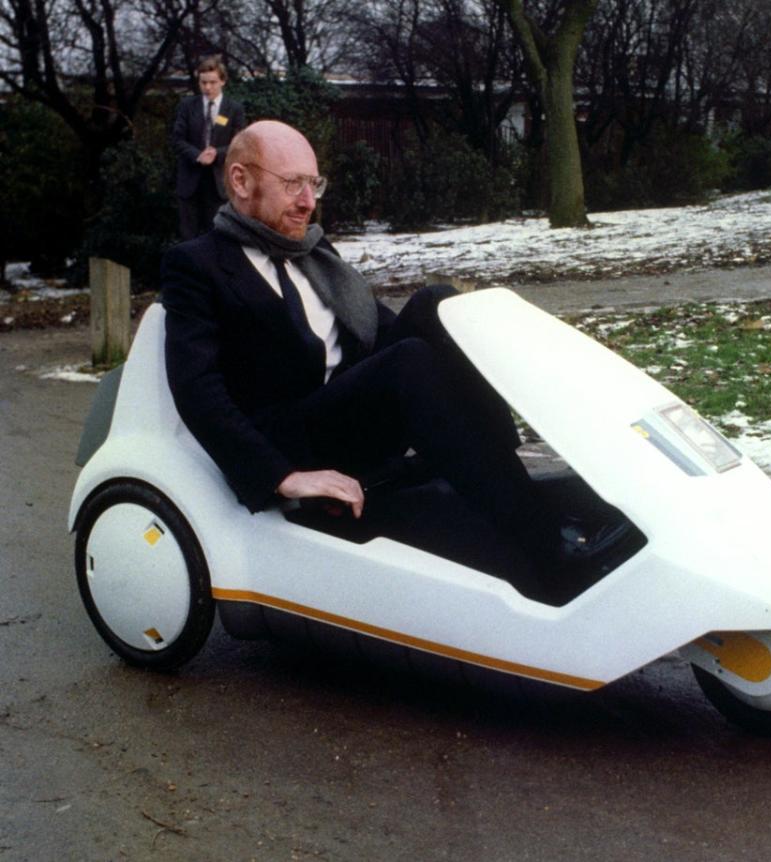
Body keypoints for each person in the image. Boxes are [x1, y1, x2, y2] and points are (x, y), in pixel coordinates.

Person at [161, 121, 632, 601]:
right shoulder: (196, 266)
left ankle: (514, 474)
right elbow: (196, 389)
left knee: (439, 305)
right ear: (240, 181)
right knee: (408, 361)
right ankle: (542, 541)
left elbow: (373, 329)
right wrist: (283, 476)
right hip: (293, 436)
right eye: (292, 184)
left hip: (349, 409)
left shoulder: (310, 249)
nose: (308, 201)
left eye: (314, 183)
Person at [172, 56, 246, 240]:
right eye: (203, 82)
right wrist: (198, 155)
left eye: (212, 82)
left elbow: (240, 144)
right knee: (188, 239)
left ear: (223, 81)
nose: (207, 88)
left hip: (219, 183)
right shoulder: (187, 106)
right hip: (190, 182)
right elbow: (176, 139)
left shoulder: (234, 109)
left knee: (218, 237)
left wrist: (217, 153)